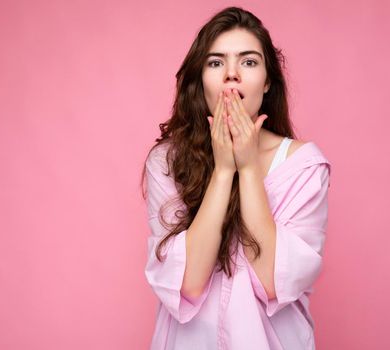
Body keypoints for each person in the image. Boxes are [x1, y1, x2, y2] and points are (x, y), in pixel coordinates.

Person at [140, 6, 331, 350]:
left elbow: (274, 282)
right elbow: (189, 285)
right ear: (200, 80)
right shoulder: (166, 162)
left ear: (268, 80)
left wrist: (247, 167)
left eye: (248, 61)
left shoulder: (304, 165)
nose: (231, 74)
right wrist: (224, 169)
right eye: (215, 63)